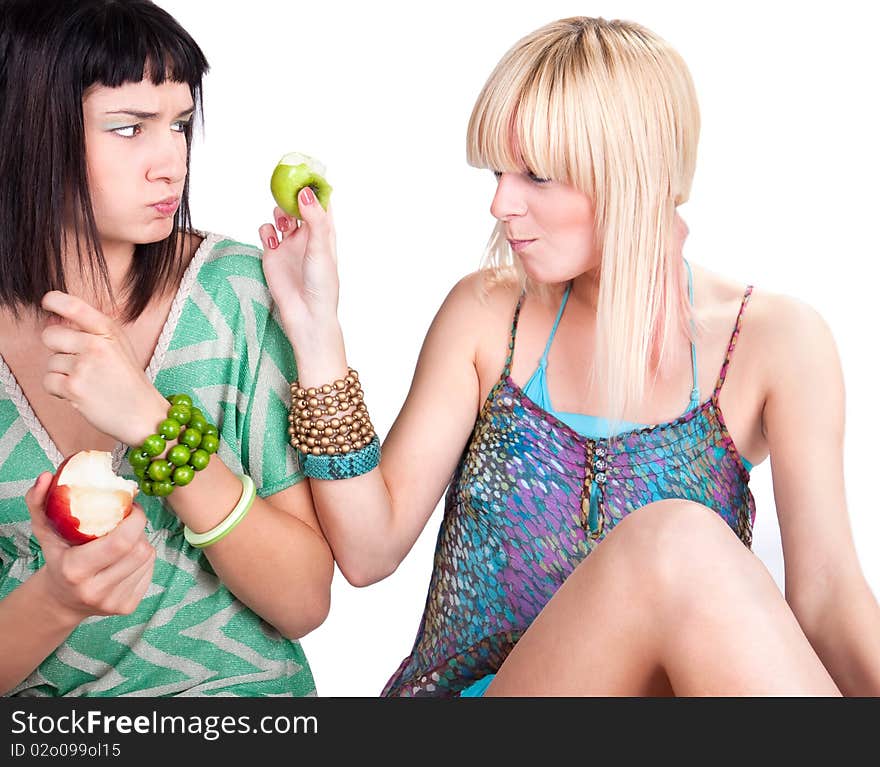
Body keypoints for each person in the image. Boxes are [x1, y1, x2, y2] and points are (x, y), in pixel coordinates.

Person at [259, 15, 880, 697]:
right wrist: (316, 331)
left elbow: (825, 600)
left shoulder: (775, 341)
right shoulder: (490, 315)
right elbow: (367, 548)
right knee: (680, 540)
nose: (500, 202)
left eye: (537, 176)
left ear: (630, 173)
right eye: (499, 172)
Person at [0, 0, 333, 697]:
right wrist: (58, 597)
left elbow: (303, 597)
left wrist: (156, 426)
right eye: (128, 128)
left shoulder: (237, 289)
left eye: (180, 124)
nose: (171, 161)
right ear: (25, 132)